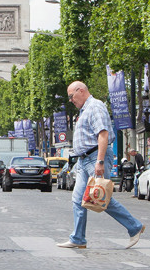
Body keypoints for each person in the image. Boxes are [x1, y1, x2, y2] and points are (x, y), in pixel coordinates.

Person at [59, 81, 144, 249]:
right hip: (84, 160)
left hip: (94, 157)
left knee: (101, 198)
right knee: (78, 199)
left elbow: (103, 134)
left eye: (71, 96)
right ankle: (78, 238)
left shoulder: (95, 107)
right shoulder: (84, 110)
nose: (71, 100)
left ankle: (135, 227)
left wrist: (99, 161)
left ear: (80, 91)